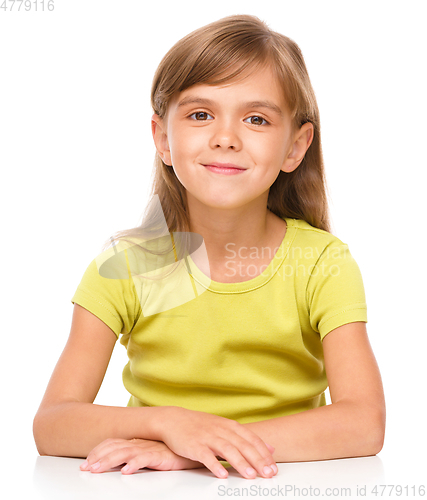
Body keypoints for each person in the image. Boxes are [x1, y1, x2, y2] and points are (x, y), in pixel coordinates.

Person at [33, 14, 386, 480]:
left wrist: (201, 451)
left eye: (256, 119)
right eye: (201, 114)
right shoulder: (125, 267)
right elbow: (53, 425)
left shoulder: (323, 263)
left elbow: (364, 424)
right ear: (162, 137)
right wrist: (169, 425)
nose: (225, 138)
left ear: (294, 148)